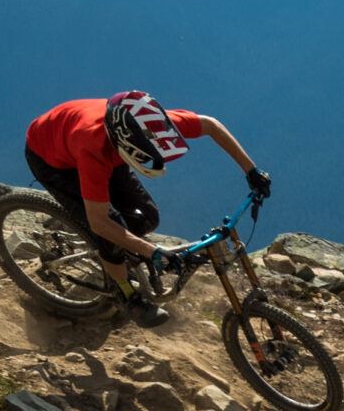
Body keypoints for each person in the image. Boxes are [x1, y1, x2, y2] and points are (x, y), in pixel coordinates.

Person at [22, 91, 270, 324]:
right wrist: (152, 251)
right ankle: (126, 296)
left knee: (147, 218)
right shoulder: (92, 148)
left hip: (101, 146)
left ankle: (116, 257)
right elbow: (99, 221)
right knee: (109, 231)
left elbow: (210, 126)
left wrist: (251, 170)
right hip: (51, 159)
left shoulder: (148, 122)